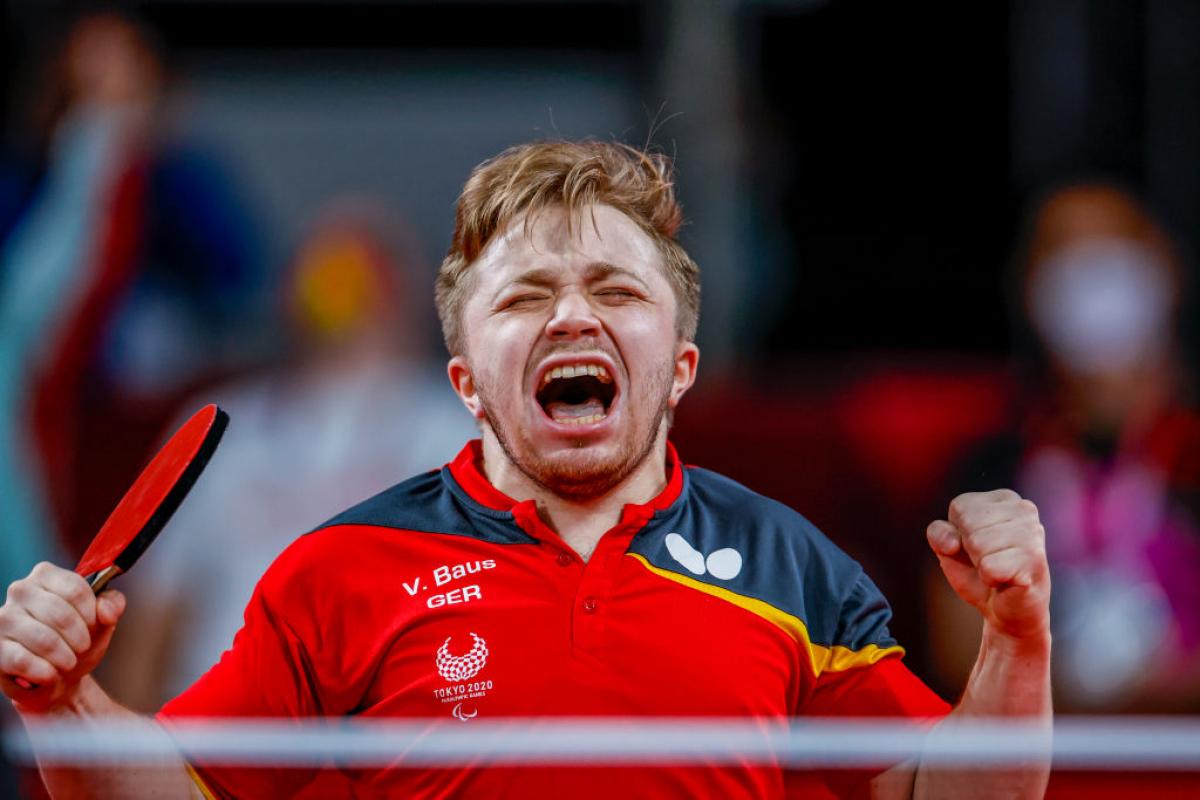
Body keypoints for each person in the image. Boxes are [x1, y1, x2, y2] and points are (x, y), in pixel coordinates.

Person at [0, 141, 1051, 799]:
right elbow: (181, 785)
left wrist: (1017, 637)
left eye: (615, 289)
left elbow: (944, 793)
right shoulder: (342, 566)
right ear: (464, 376)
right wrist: (65, 705)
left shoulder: (791, 564)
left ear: (681, 366)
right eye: (525, 294)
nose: (574, 314)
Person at [928, 183, 1200, 713]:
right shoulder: (992, 467)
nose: (1089, 275)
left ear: (1165, 268)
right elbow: (955, 651)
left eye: (1112, 248)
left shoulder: (1188, 449)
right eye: (1063, 255)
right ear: (1031, 290)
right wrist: (1069, 681)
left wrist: (1145, 685)